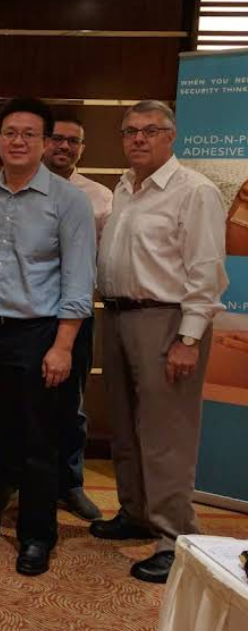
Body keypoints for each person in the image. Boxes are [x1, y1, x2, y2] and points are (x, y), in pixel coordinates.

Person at [0, 96, 95, 577]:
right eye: (10, 132)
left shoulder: (69, 201)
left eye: (29, 134)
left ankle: (36, 536)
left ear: (46, 142)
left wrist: (63, 346)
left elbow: (78, 280)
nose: (18, 141)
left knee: (38, 442)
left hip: (37, 334)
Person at [93, 100, 228, 584]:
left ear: (171, 136)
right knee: (126, 426)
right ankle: (135, 513)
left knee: (166, 436)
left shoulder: (195, 191)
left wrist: (189, 338)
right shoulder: (125, 187)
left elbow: (206, 270)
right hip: (118, 316)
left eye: (150, 130)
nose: (138, 138)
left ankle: (176, 538)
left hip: (167, 322)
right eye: (130, 130)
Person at [42, 112, 114, 522]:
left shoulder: (100, 197)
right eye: (58, 138)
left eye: (73, 141)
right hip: (30, 312)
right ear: (44, 142)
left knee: (71, 403)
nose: (64, 147)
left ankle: (69, 483)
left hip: (77, 312)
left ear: (82, 149)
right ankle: (18, 480)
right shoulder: (22, 188)